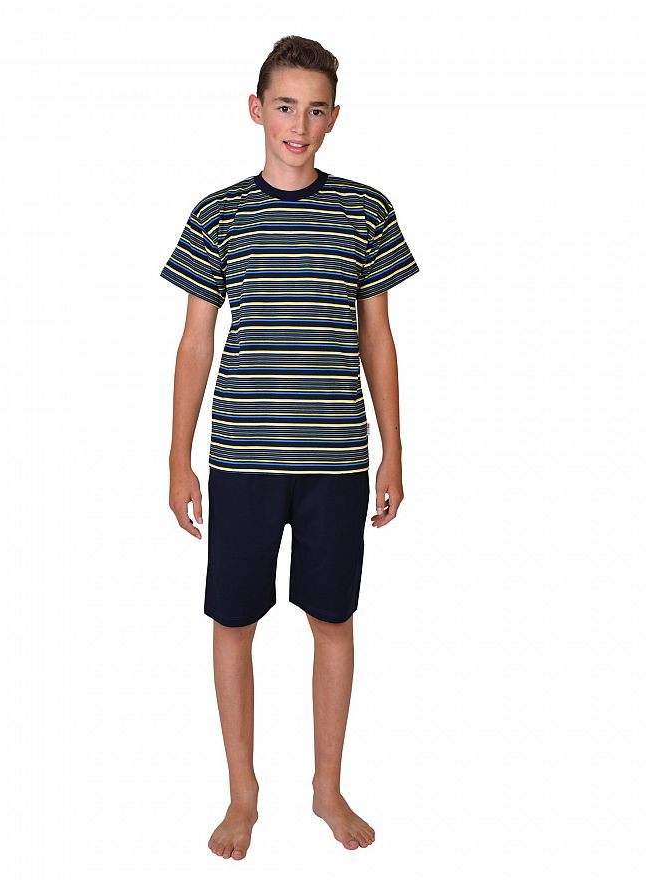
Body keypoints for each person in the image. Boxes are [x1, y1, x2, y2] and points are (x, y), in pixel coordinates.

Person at [161, 35, 419, 859]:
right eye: (284, 106)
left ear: (334, 117)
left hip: (336, 461)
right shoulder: (218, 215)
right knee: (233, 621)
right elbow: (195, 343)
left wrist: (394, 449)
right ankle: (243, 794)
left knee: (332, 619)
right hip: (241, 460)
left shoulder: (365, 211)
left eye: (314, 110)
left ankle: (327, 787)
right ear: (256, 109)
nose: (298, 126)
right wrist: (177, 458)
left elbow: (378, 339)